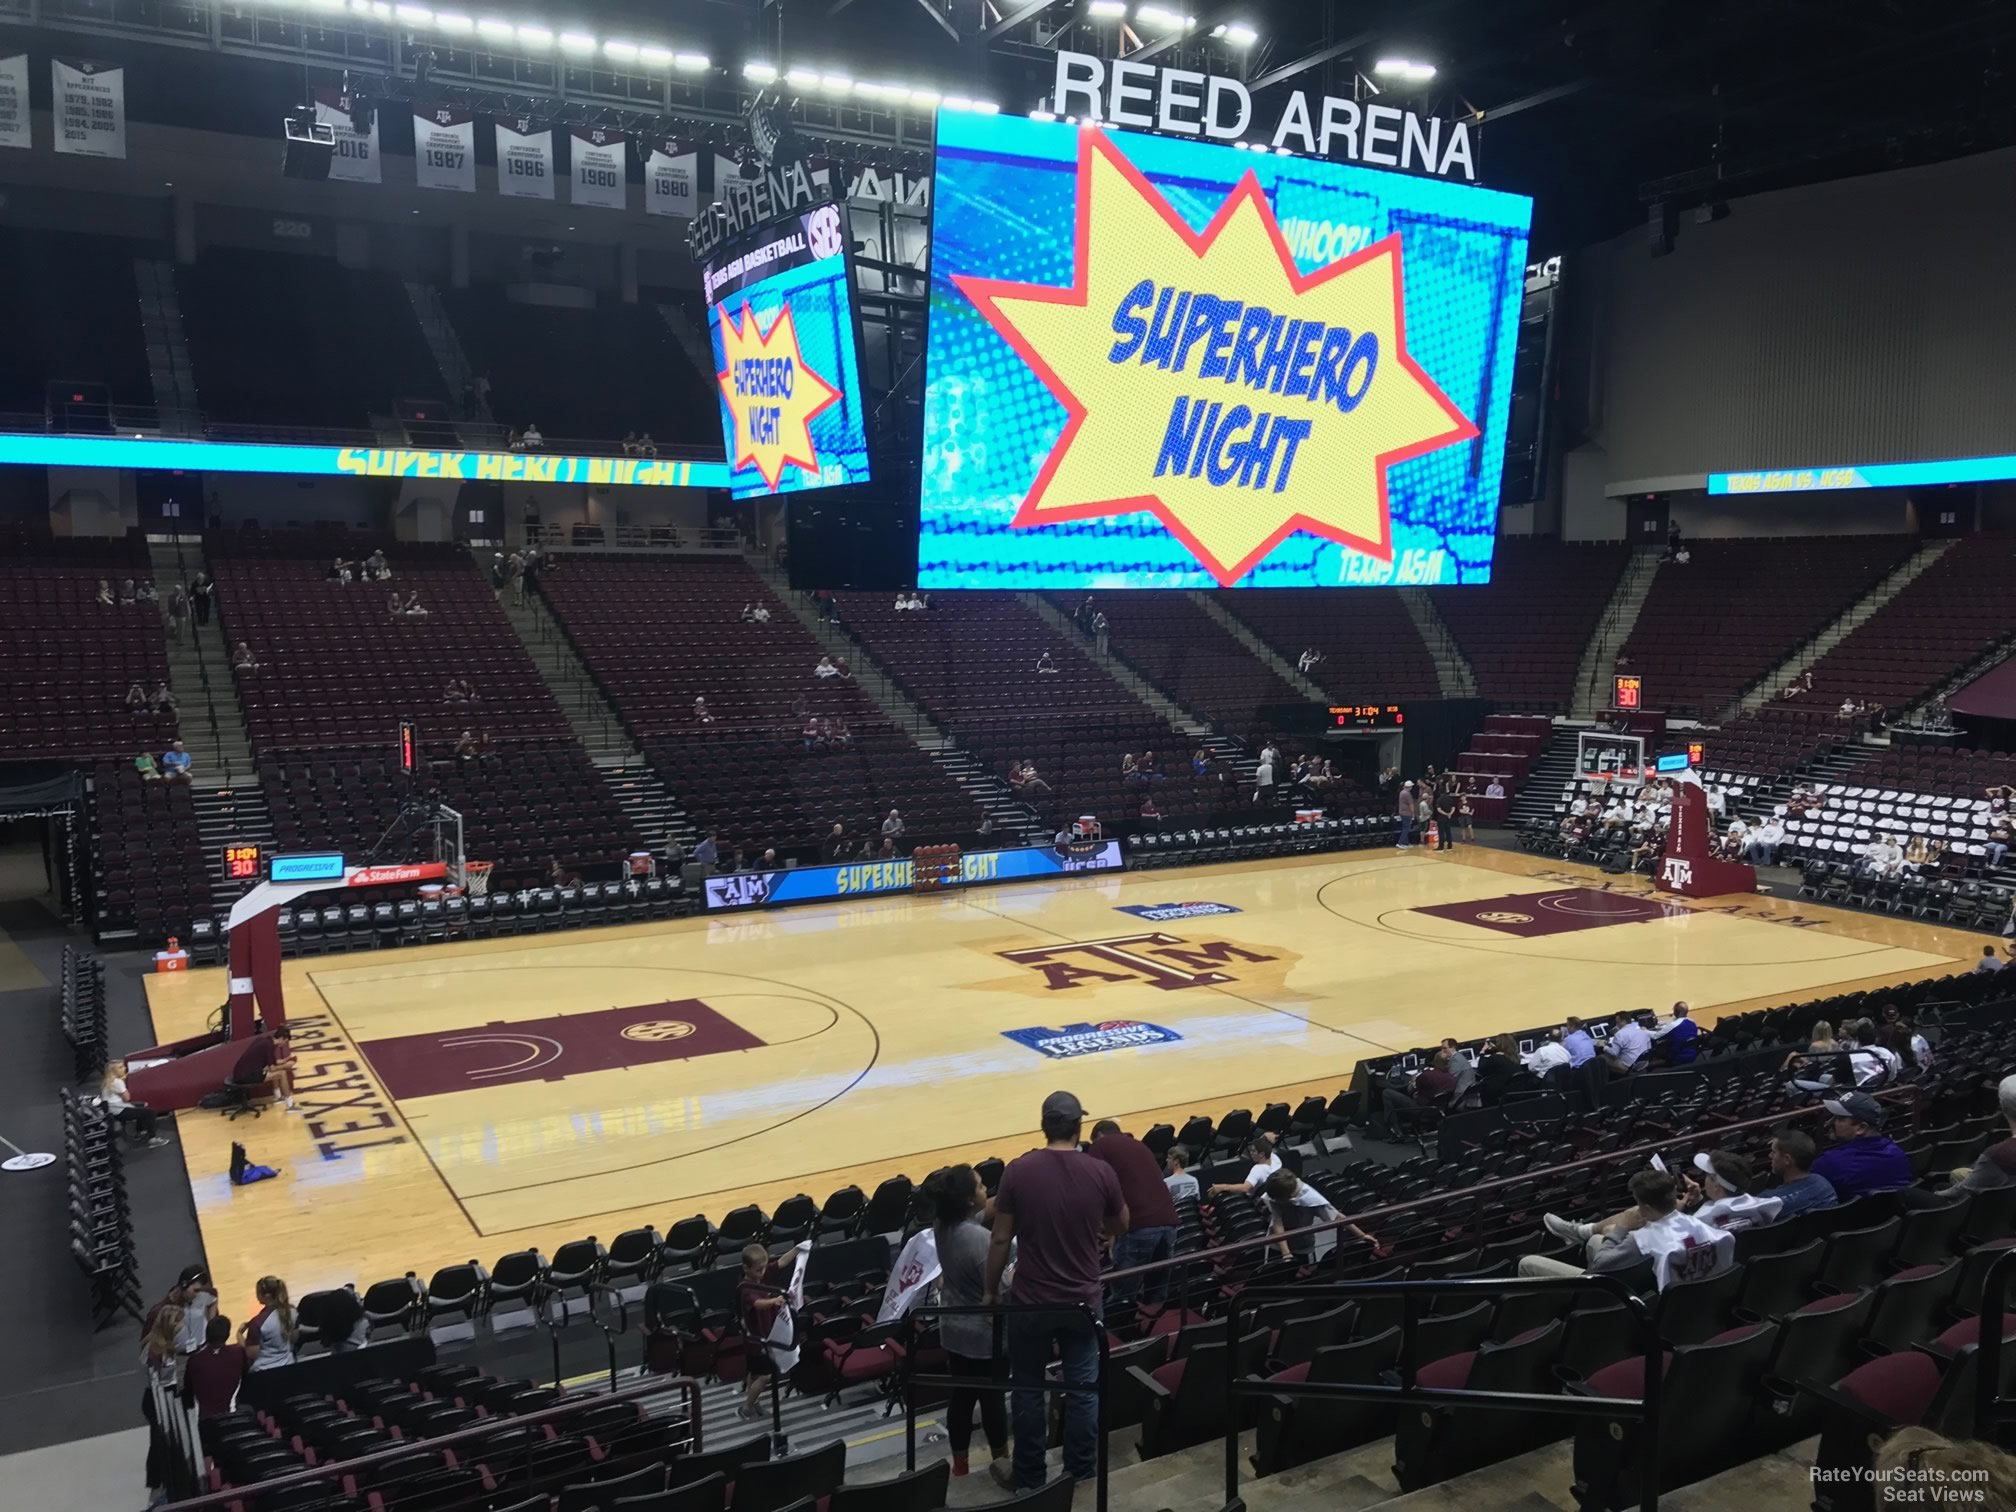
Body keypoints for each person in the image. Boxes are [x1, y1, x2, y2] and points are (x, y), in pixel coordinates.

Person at [986, 1091, 1126, 1492]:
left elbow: (999, 1240)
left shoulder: (1019, 1170)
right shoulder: (1100, 1172)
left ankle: (1029, 1475)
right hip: (1083, 1301)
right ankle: (1081, 1472)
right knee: (1083, 1389)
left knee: (1028, 1389)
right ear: (1079, 1126)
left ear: (1044, 1124)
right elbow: (1121, 1225)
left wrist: (990, 1291)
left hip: (1031, 1301)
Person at [926, 1166, 1011, 1485]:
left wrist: (1015, 1193)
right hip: (984, 1335)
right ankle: (1002, 1463)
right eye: (979, 1186)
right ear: (965, 1200)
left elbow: (986, 1208)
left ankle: (959, 1467)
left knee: (961, 1398)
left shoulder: (943, 1224)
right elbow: (1000, 1287)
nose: (985, 1188)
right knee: (991, 1400)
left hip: (953, 1329)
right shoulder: (980, 1239)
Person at [1524, 1170, 1730, 1290]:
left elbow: (1599, 1266)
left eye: (1639, 1205)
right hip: (1678, 1286)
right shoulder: (1699, 1224)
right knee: (1596, 1241)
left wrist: (1619, 1229)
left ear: (1647, 1208)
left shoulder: (1640, 1241)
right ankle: (1581, 1234)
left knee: (1527, 1263)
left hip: (1616, 1293)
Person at [1088, 1120, 1179, 1305]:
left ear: (1098, 1136)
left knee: (1124, 1295)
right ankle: (1155, 1330)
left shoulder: (1100, 1146)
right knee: (1157, 1292)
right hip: (1168, 1222)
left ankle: (1125, 1332)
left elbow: (1096, 1188)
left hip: (1139, 1224)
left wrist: (1107, 1230)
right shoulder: (1138, 1145)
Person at [1812, 1092, 1912, 1201]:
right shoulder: (1897, 1152)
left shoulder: (1831, 1162)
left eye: (1840, 1119)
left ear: (1861, 1128)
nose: (1829, 1123)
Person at [1264, 1168, 1378, 1262]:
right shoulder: (1275, 1191)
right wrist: (1286, 1253)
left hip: (1302, 1245)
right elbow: (1277, 1222)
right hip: (1278, 1245)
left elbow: (1337, 1217)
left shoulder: (1311, 1197)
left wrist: (1362, 1235)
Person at [734, 1243, 786, 1421]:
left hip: (760, 1337)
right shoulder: (745, 1288)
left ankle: (754, 1403)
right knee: (766, 1375)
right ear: (746, 1268)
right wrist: (774, 1301)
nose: (762, 1273)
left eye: (763, 1268)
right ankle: (747, 1407)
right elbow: (758, 1304)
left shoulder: (758, 1276)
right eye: (758, 1270)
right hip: (756, 1341)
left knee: (755, 1374)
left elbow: (780, 1263)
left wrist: (798, 1250)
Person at [141, 1303, 185, 1504]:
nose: (182, 1327)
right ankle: (156, 1485)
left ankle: (167, 1480)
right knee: (159, 1443)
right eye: (178, 1324)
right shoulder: (156, 1349)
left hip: (164, 1394)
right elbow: (164, 1377)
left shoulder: (161, 1342)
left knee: (168, 1441)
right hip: (159, 1398)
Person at [182, 1314, 248, 1436]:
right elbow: (247, 1379)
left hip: (204, 1424)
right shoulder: (238, 1352)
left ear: (207, 1335)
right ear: (227, 1335)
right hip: (233, 1420)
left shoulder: (194, 1360)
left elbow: (188, 1391)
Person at [1760, 1129, 1838, 1218]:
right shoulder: (1824, 1184)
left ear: (1787, 1159)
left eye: (1774, 1152)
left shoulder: (1767, 1202)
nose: (1770, 1156)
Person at [100, 1060, 169, 1147]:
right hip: (119, 1111)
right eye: (120, 1067)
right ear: (114, 1071)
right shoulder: (117, 1082)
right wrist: (124, 1086)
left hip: (113, 1109)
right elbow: (127, 1098)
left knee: (143, 1105)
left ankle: (140, 1131)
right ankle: (153, 1139)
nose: (124, 1068)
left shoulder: (107, 1081)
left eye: (123, 1066)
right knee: (151, 1112)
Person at [241, 1277, 298, 1371]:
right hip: (289, 1364)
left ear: (266, 1296)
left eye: (258, 1293)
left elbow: (251, 1354)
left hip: (265, 1370)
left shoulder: (258, 1322)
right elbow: (294, 1339)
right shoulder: (292, 1311)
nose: (256, 1295)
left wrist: (239, 1335)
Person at [232, 1025, 294, 1111]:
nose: (285, 1044)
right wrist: (286, 1066)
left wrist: (284, 1060)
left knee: (275, 1072)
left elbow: (271, 1063)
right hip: (247, 1076)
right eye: (285, 1041)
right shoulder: (269, 1046)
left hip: (240, 1073)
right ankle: (290, 1106)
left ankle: (278, 1097)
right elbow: (272, 1068)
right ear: (281, 1038)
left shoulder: (265, 1041)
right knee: (282, 1073)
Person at [1209, 1135, 1285, 1197]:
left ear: (1261, 1154)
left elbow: (1245, 1188)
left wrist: (1222, 1187)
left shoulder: (1258, 1170)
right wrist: (1264, 1136)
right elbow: (1263, 1145)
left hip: (1251, 1198)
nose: (1251, 1153)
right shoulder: (1276, 1159)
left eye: (1253, 1151)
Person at [1434, 783, 1457, 850]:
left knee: (1441, 832)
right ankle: (1450, 845)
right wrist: (1450, 814)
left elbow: (1439, 810)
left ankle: (1441, 846)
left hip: (1441, 818)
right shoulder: (1450, 799)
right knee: (1448, 831)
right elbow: (1453, 808)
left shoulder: (1439, 800)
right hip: (1448, 818)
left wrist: (1445, 813)